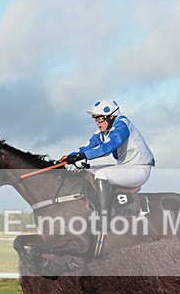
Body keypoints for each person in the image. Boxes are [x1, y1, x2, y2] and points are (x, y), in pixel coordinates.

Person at [62, 98, 155, 229]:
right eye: (95, 119)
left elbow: (107, 147)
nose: (97, 123)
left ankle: (105, 220)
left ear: (111, 117)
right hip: (125, 167)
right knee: (87, 171)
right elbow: (88, 146)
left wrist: (82, 156)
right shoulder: (104, 130)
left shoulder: (122, 125)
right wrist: (69, 158)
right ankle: (93, 209)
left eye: (100, 119)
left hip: (139, 169)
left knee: (101, 174)